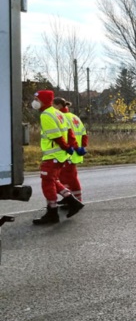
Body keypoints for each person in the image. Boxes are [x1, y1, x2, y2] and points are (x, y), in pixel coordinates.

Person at [31, 90, 84, 225]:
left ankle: (52, 213)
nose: (34, 102)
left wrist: (67, 147)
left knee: (47, 182)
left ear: (43, 100)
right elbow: (70, 133)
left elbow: (56, 136)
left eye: (37, 99)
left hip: (53, 155)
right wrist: (72, 147)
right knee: (52, 179)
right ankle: (72, 201)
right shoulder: (59, 113)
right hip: (60, 155)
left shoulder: (46, 115)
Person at [53, 97, 87, 204]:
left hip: (69, 152)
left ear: (58, 106)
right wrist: (82, 147)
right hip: (76, 152)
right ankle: (73, 198)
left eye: (53, 105)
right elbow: (84, 134)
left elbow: (66, 136)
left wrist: (72, 147)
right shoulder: (74, 117)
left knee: (67, 178)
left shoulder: (61, 117)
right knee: (69, 178)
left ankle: (74, 200)